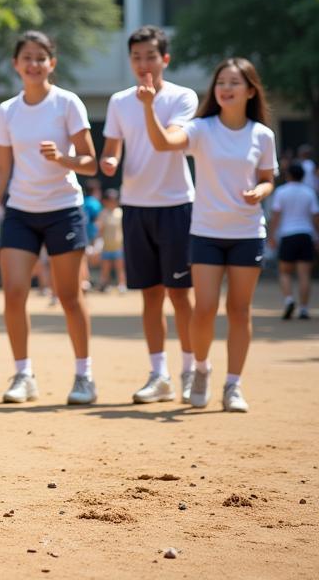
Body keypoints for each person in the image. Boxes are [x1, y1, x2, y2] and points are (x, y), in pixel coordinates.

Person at [140, 57, 276, 413]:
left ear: (250, 90)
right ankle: (201, 370)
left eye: (234, 82)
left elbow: (267, 178)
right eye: (221, 83)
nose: (226, 89)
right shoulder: (202, 128)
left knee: (239, 309)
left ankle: (233, 385)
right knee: (204, 309)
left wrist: (260, 192)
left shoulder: (262, 135)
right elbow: (164, 143)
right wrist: (149, 107)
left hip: (247, 231)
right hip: (206, 232)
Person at [0, 31, 98, 407]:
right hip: (21, 211)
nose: (33, 64)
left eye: (40, 57)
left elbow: (91, 161)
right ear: (16, 65)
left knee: (68, 295)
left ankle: (84, 376)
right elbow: (1, 169)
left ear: (52, 63)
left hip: (64, 209)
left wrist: (63, 159)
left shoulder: (68, 104)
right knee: (14, 292)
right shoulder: (7, 111)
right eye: (26, 58)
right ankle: (23, 374)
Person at [100, 25, 198, 404]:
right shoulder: (119, 101)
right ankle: (160, 375)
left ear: (165, 59)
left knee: (180, 294)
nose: (143, 64)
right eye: (137, 57)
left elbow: (169, 140)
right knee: (150, 297)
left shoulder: (182, 97)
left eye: (151, 57)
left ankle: (191, 372)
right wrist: (109, 161)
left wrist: (148, 105)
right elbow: (113, 148)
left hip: (175, 205)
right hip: (136, 207)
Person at [269, 161, 319, 320]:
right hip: (305, 235)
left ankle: (289, 299)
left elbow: (276, 216)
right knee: (304, 274)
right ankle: (304, 309)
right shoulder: (309, 192)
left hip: (287, 235)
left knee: (285, 272)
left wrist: (271, 236)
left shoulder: (281, 192)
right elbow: (315, 217)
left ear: (288, 175)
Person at [97, 189, 126, 292]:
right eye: (109, 200)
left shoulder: (120, 213)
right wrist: (98, 242)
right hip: (106, 246)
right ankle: (105, 284)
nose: (112, 202)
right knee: (105, 267)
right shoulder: (103, 213)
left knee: (120, 267)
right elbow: (100, 229)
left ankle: (122, 284)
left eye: (114, 200)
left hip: (119, 246)